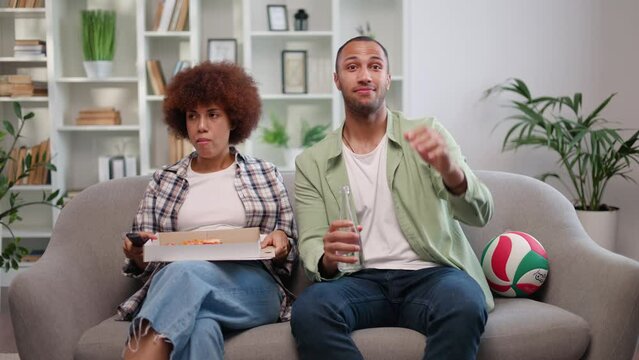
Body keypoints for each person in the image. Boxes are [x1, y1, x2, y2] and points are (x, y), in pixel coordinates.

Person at [290, 36, 494, 360]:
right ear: (337, 79)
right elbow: (313, 244)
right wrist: (328, 257)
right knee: (310, 310)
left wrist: (452, 172)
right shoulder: (312, 161)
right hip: (358, 282)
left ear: (387, 77)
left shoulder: (427, 132)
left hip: (431, 276)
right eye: (352, 66)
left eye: (375, 66)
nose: (365, 75)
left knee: (464, 301)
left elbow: (481, 213)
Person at [117, 61, 298, 360]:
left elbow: (287, 251)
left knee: (186, 273)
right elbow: (145, 261)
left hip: (250, 287)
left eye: (213, 114)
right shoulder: (165, 180)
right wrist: (138, 253)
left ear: (233, 120)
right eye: (192, 116)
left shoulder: (265, 173)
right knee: (201, 327)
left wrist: (281, 241)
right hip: (177, 282)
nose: (201, 126)